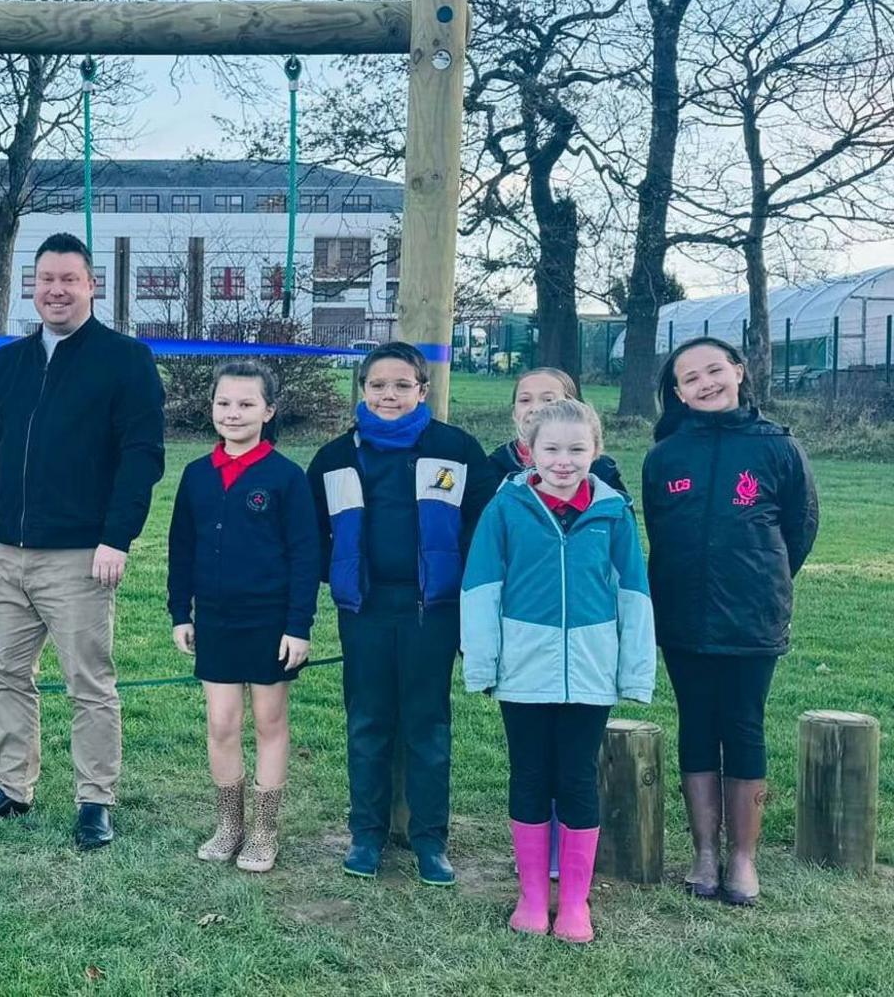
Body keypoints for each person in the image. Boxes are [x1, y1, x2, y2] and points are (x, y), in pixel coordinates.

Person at [0, 232, 166, 852]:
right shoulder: (12, 361)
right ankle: (11, 788)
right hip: (11, 553)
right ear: (32, 286)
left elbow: (141, 456)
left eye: (69, 279)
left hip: (81, 557)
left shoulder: (126, 360)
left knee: (88, 684)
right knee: (7, 674)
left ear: (92, 285)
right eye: (46, 279)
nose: (56, 290)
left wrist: (116, 537)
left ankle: (96, 801)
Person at [463, 399, 655, 943]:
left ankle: (573, 902)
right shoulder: (504, 509)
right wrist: (483, 665)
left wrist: (634, 674)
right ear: (529, 451)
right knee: (528, 776)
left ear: (596, 450)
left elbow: (635, 596)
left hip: (592, 674)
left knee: (576, 778)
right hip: (523, 670)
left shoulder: (614, 514)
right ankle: (530, 897)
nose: (564, 461)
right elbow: (480, 590)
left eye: (577, 449)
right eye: (552, 449)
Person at [307, 342, 498, 884]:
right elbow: (309, 532)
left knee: (427, 726)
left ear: (423, 389)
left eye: (400, 385)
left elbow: (483, 526)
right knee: (367, 723)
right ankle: (365, 835)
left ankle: (430, 839)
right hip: (365, 610)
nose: (388, 395)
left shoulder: (455, 449)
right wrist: (340, 574)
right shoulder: (336, 456)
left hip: (431, 613)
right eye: (377, 386)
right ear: (363, 390)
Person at [642, 337, 818, 907]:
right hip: (682, 613)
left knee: (743, 726)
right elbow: (660, 533)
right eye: (690, 378)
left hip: (752, 616)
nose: (705, 383)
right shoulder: (664, 456)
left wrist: (759, 577)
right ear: (677, 392)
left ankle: (742, 857)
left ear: (738, 372)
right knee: (696, 723)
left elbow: (800, 528)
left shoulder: (778, 447)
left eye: (714, 370)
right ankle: (704, 854)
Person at [166, 362, 318, 873]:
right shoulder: (195, 476)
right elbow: (180, 549)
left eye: (246, 404)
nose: (233, 413)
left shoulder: (286, 478)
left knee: (269, 722)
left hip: (271, 623)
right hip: (215, 620)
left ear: (269, 410)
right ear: (211, 408)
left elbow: (304, 555)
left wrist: (299, 625)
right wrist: (179, 612)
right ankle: (230, 825)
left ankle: (264, 832)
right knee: (221, 722)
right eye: (224, 403)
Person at [489, 368, 625, 492]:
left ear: (571, 407)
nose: (535, 408)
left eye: (548, 400)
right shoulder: (494, 467)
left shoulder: (599, 468)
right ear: (514, 411)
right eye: (525, 400)